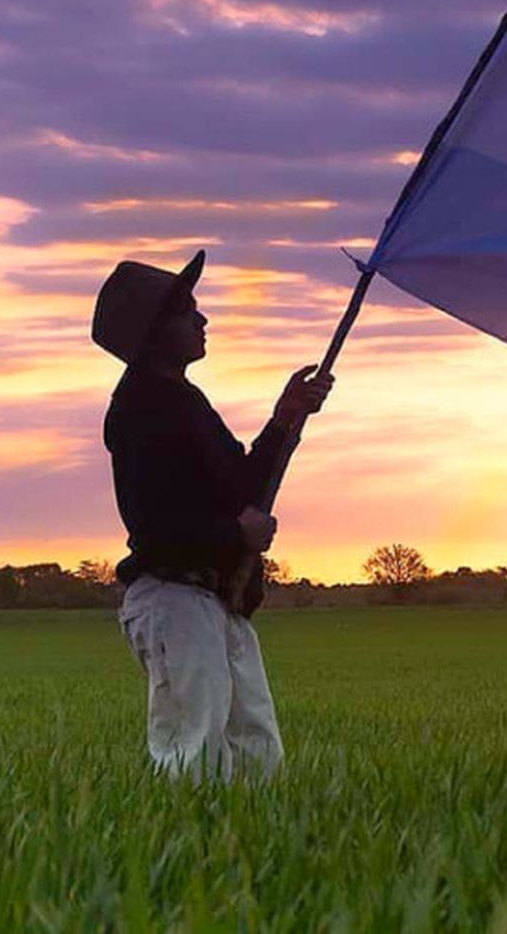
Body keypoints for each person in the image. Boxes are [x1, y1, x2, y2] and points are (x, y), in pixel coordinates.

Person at [91, 249, 332, 779]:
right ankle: (184, 857)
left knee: (257, 752)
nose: (202, 320)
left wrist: (284, 420)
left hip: (215, 600)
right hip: (173, 600)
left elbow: (245, 485)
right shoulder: (138, 410)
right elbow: (154, 528)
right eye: (188, 312)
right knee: (193, 752)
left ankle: (248, 854)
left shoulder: (184, 400)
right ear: (156, 332)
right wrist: (235, 533)